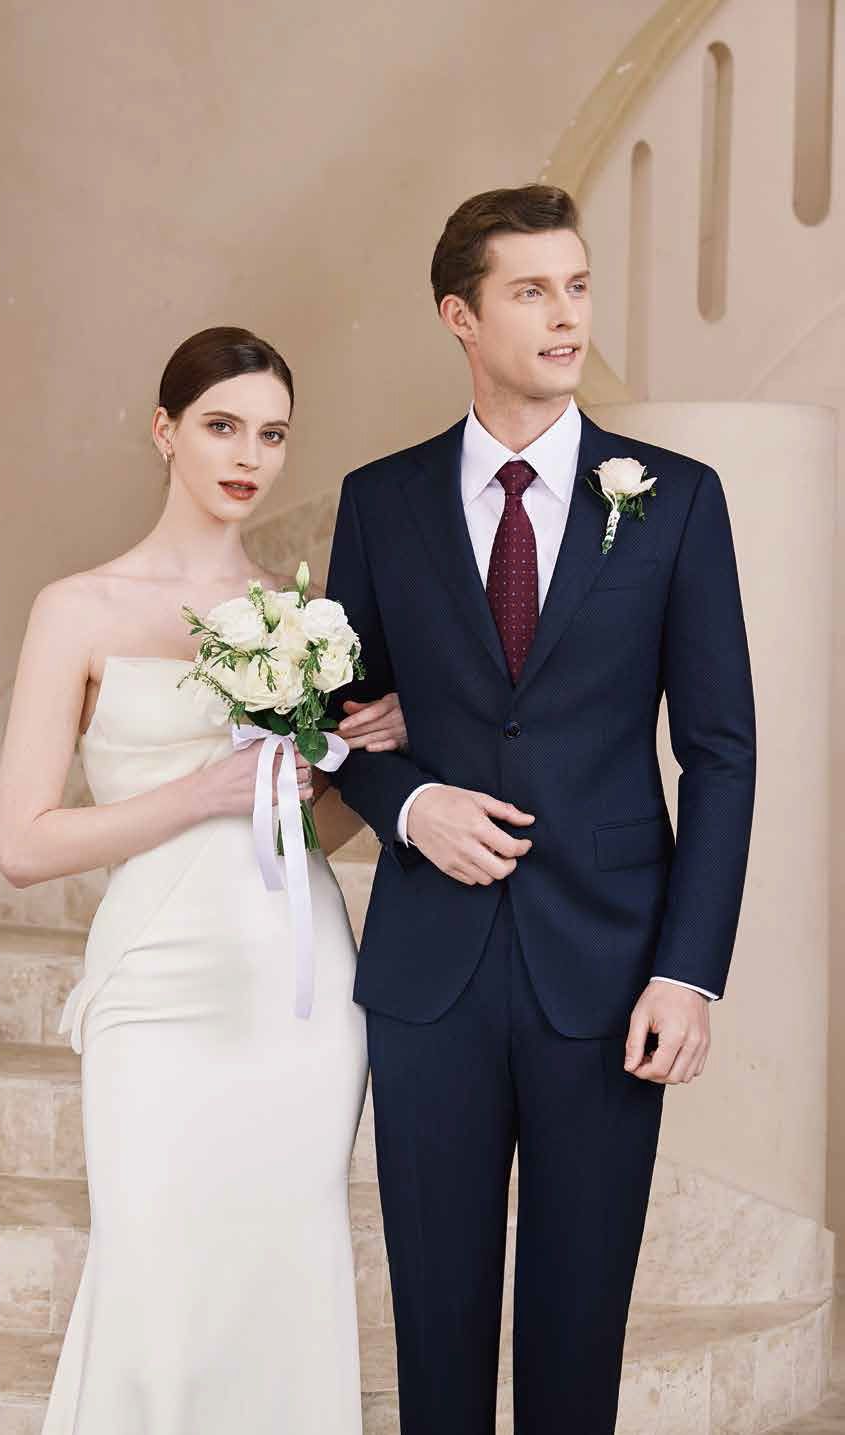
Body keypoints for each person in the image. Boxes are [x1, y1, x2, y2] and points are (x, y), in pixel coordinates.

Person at [325, 184, 756, 1434]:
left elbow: (720, 754)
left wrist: (691, 971)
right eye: (531, 290)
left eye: (575, 285)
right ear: (460, 317)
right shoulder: (381, 500)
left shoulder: (677, 499)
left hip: (612, 972)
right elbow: (338, 728)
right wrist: (412, 810)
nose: (566, 316)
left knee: (578, 1345)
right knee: (438, 1339)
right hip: (430, 980)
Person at [0, 326, 407, 1434]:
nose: (250, 456)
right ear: (166, 430)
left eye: (272, 434)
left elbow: (307, 836)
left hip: (297, 985)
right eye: (223, 425)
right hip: (159, 986)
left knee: (286, 1267)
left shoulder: (301, 620)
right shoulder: (74, 609)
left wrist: (366, 753)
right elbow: (23, 843)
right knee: (156, 1272)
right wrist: (197, 794)